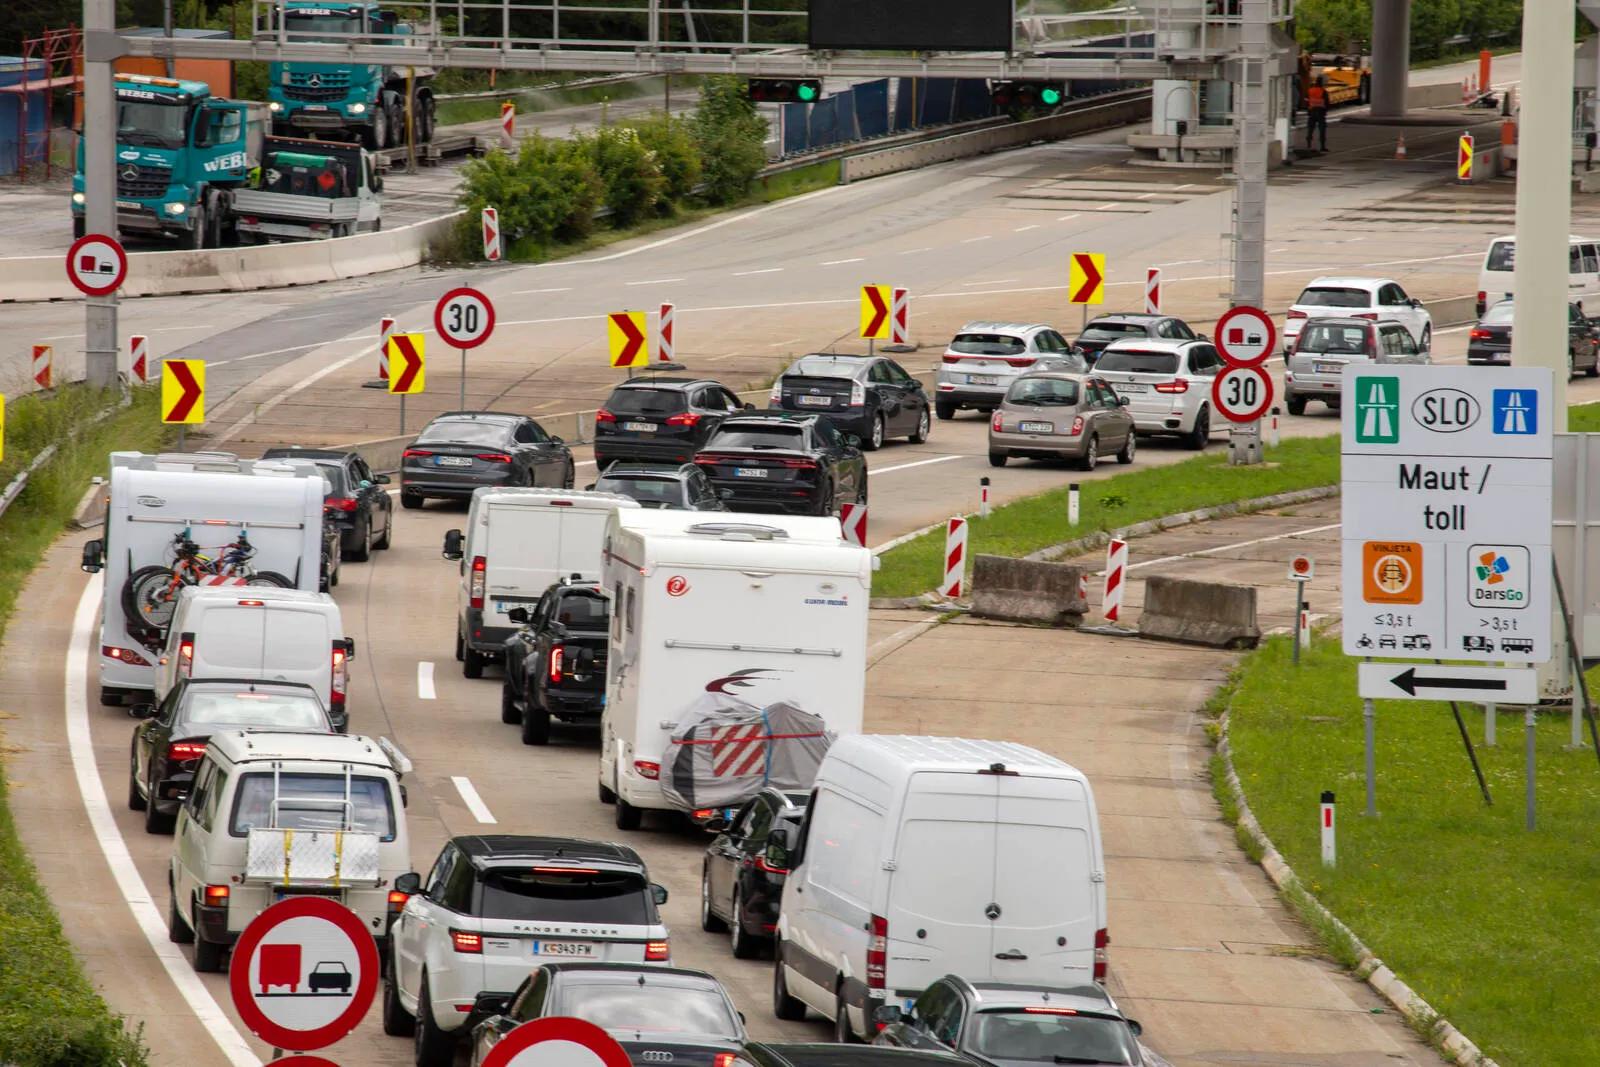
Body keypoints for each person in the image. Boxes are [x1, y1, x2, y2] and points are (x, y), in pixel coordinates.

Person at [1306, 76, 1329, 152]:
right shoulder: (1323, 91)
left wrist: (1308, 109)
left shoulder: (1310, 90)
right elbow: (1327, 102)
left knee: (1310, 129)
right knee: (1322, 130)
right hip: (1320, 112)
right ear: (1321, 83)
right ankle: (1322, 146)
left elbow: (1306, 100)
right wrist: (1325, 110)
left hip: (1312, 112)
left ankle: (1308, 145)